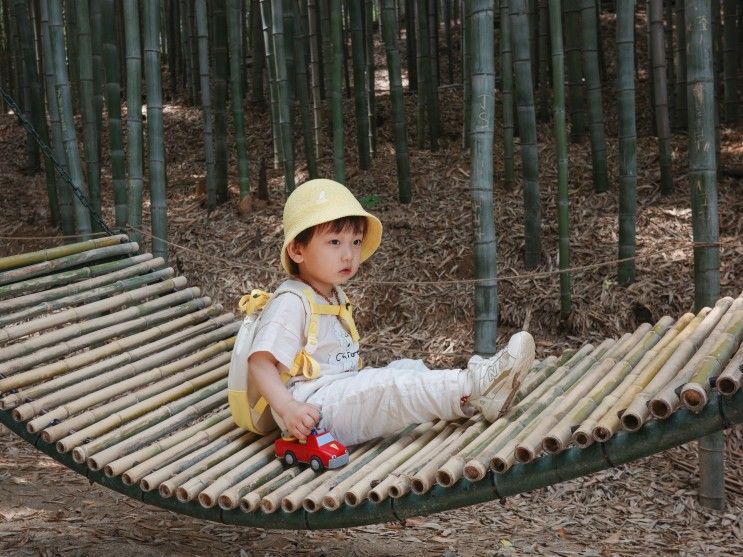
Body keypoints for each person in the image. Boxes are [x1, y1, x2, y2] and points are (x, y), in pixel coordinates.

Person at [246, 179, 535, 446]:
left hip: (336, 394)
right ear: (297, 250)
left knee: (407, 369)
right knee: (389, 387)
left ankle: (470, 396)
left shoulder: (329, 293)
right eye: (335, 242)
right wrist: (288, 408)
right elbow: (260, 363)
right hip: (312, 413)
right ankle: (474, 385)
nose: (349, 254)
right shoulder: (291, 301)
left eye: (355, 242)